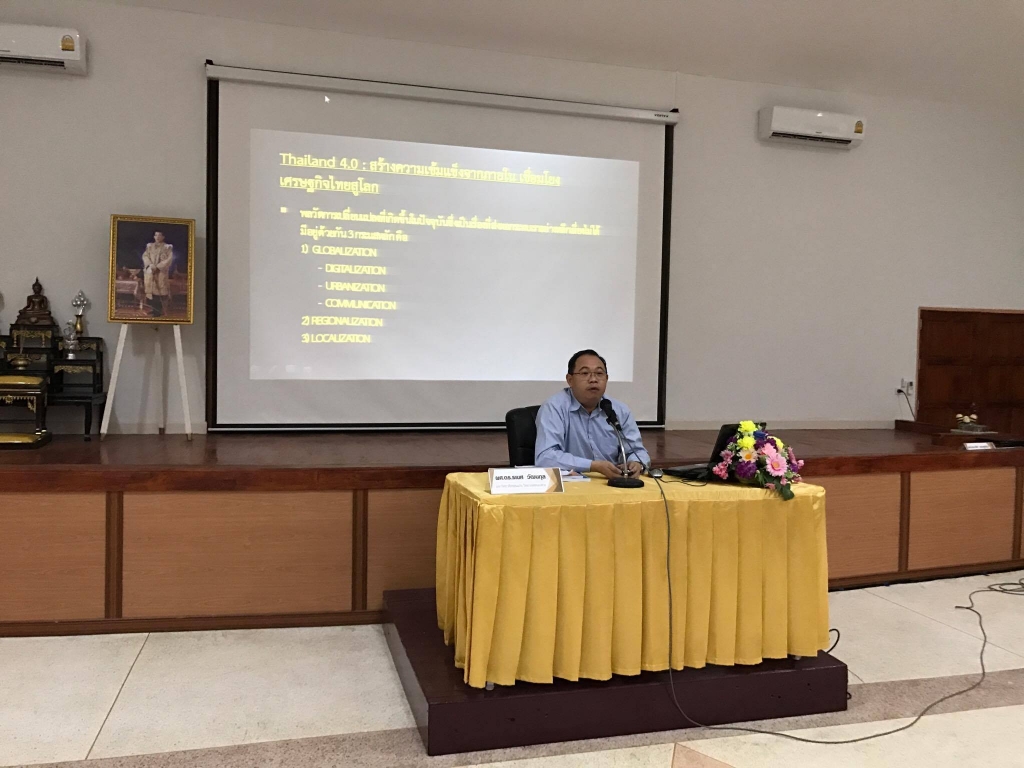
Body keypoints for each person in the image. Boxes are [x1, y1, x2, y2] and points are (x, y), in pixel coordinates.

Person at [535, 349, 651, 480]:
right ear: (570, 380)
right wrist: (593, 466)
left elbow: (638, 451)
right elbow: (546, 457)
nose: (593, 379)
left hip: (612, 482)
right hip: (572, 484)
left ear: (606, 379)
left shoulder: (619, 410)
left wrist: (636, 463)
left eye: (599, 373)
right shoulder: (554, 408)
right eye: (585, 373)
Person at [142, 231, 174, 317]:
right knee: (151, 291)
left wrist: (158, 267)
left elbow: (169, 259)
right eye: (156, 235)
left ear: (163, 237)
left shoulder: (167, 247)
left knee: (159, 291)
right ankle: (153, 309)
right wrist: (150, 265)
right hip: (151, 271)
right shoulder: (149, 246)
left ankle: (159, 311)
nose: (157, 237)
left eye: (160, 235)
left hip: (161, 272)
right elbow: (145, 256)